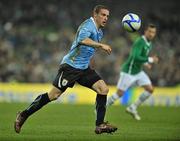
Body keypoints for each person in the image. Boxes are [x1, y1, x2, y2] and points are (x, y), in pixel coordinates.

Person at [14, 5, 117, 134]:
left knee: (103, 89)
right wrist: (101, 45)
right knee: (53, 95)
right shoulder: (87, 26)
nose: (106, 18)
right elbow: (82, 40)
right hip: (70, 67)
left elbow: (86, 50)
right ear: (95, 14)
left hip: (84, 69)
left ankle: (100, 125)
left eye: (107, 16)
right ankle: (23, 114)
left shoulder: (99, 31)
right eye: (103, 15)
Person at [107, 24, 159, 120]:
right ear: (145, 32)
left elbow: (140, 58)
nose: (152, 34)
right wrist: (150, 60)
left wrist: (145, 63)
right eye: (150, 32)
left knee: (150, 89)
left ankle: (133, 107)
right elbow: (135, 57)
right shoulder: (140, 42)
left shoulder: (149, 43)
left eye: (153, 32)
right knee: (119, 94)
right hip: (129, 71)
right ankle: (101, 108)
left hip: (138, 72)